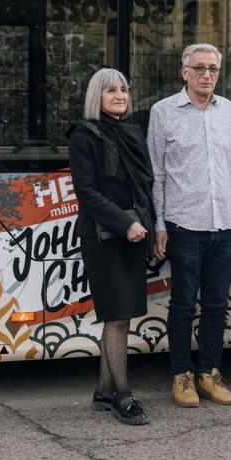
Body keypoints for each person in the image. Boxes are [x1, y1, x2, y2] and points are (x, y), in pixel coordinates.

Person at [148, 43, 231, 407]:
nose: (207, 75)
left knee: (216, 304)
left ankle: (210, 373)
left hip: (223, 225)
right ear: (184, 72)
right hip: (183, 225)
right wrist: (159, 223)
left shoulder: (227, 110)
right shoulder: (163, 113)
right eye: (200, 68)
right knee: (182, 304)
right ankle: (181, 376)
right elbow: (156, 175)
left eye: (213, 69)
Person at [67, 68, 155, 425]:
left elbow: (144, 186)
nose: (120, 95)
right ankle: (124, 396)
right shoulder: (83, 136)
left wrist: (144, 225)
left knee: (124, 315)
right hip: (103, 237)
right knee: (116, 318)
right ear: (96, 97)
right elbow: (87, 194)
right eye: (111, 91)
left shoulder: (131, 132)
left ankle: (105, 390)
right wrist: (125, 223)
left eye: (124, 89)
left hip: (134, 233)